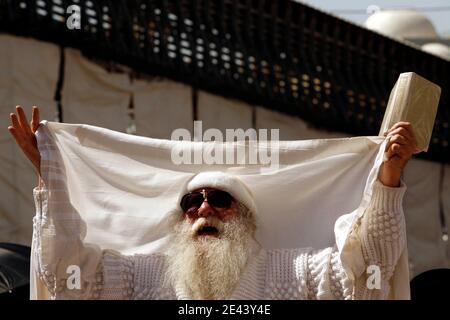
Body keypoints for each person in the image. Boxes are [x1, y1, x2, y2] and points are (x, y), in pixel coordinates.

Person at [8, 105, 419, 300]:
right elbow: (67, 275)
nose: (203, 210)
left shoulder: (293, 272)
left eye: (219, 200)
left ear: (245, 217)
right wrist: (51, 176)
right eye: (192, 202)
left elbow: (369, 272)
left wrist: (388, 175)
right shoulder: (144, 275)